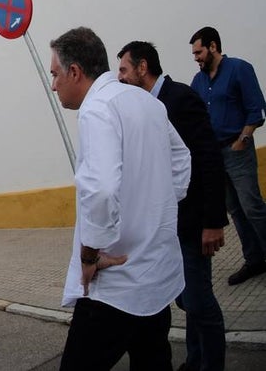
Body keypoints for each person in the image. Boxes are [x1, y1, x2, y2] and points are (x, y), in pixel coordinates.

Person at [51, 27, 191, 371]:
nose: (53, 84)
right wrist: (154, 209)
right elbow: (181, 160)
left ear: (75, 72)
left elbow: (99, 189)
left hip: (114, 284)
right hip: (155, 277)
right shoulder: (147, 102)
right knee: (153, 363)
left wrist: (90, 254)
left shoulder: (97, 109)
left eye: (55, 74)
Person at [118, 41, 228, 371]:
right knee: (186, 299)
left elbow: (208, 159)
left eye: (124, 69)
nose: (120, 78)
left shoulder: (180, 98)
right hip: (169, 226)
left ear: (142, 67)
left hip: (195, 223)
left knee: (199, 302)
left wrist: (213, 221)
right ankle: (195, 361)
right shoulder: (144, 108)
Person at [190, 26, 266, 287]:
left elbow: (255, 108)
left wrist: (242, 140)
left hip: (237, 149)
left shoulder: (239, 69)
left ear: (213, 46)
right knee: (235, 211)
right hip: (213, 156)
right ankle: (254, 260)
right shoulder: (198, 81)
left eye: (199, 51)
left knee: (252, 207)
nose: (196, 57)